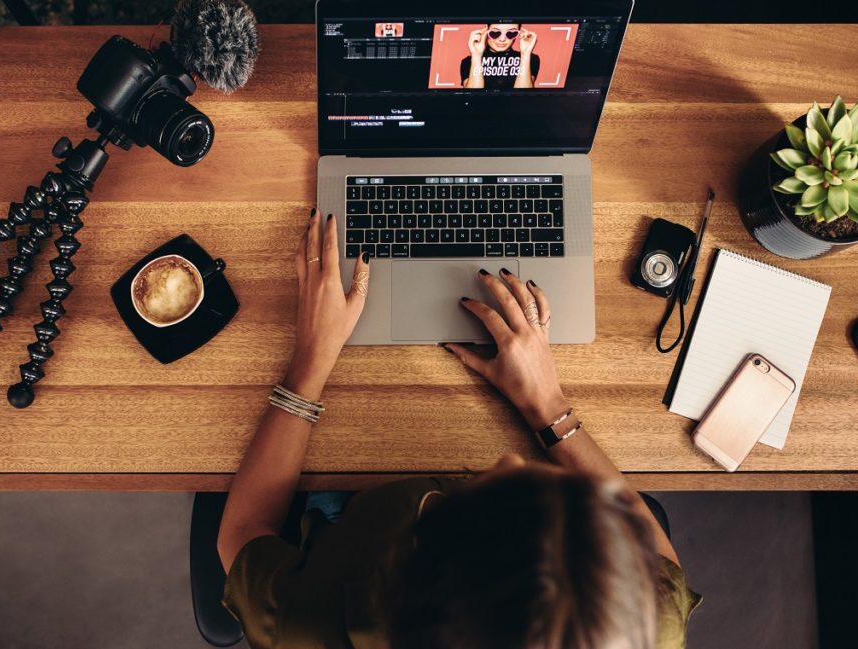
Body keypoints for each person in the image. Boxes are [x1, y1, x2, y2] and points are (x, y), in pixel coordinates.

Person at [217, 210, 700, 649]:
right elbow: (660, 558)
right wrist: (548, 407)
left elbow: (240, 532)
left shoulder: (310, 625)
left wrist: (310, 361)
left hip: (349, 524)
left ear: (419, 556)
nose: (511, 460)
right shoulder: (646, 625)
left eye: (496, 493)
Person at [461, 23, 539, 89]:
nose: (502, 39)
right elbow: (472, 99)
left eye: (511, 33)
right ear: (486, 30)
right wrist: (476, 55)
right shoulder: (469, 61)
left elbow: (523, 98)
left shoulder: (531, 59)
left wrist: (525, 54)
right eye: (495, 32)